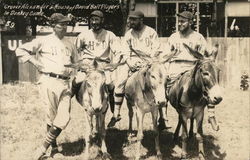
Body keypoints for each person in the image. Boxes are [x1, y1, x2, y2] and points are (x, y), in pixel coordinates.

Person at [15, 13, 78, 159]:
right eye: (61, 24)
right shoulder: (44, 40)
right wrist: (35, 62)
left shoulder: (70, 44)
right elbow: (20, 50)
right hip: (49, 81)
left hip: (65, 83)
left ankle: (42, 149)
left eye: (66, 24)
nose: (64, 27)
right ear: (53, 26)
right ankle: (54, 149)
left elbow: (77, 62)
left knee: (64, 117)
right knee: (51, 116)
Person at [162, 11, 219, 131]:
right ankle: (163, 117)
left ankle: (211, 114)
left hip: (192, 67)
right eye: (179, 21)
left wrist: (212, 53)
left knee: (207, 84)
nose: (179, 24)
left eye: (183, 21)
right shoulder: (173, 37)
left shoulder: (198, 37)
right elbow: (165, 54)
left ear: (191, 22)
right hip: (176, 67)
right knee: (162, 85)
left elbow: (208, 54)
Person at [107, 10, 165, 128]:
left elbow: (156, 49)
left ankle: (163, 116)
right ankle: (116, 113)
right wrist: (130, 62)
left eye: (134, 19)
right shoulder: (129, 34)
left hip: (149, 62)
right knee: (120, 82)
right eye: (130, 19)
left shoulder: (151, 32)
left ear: (141, 20)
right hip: (132, 62)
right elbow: (125, 51)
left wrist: (148, 61)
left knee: (161, 81)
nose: (130, 22)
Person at [72, 10, 119, 105]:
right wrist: (80, 63)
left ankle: (110, 101)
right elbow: (75, 51)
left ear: (102, 20)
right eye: (92, 19)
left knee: (109, 83)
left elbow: (118, 51)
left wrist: (114, 64)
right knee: (78, 81)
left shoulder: (109, 35)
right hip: (88, 65)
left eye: (96, 19)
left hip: (103, 66)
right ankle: (72, 96)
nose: (94, 22)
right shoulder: (83, 35)